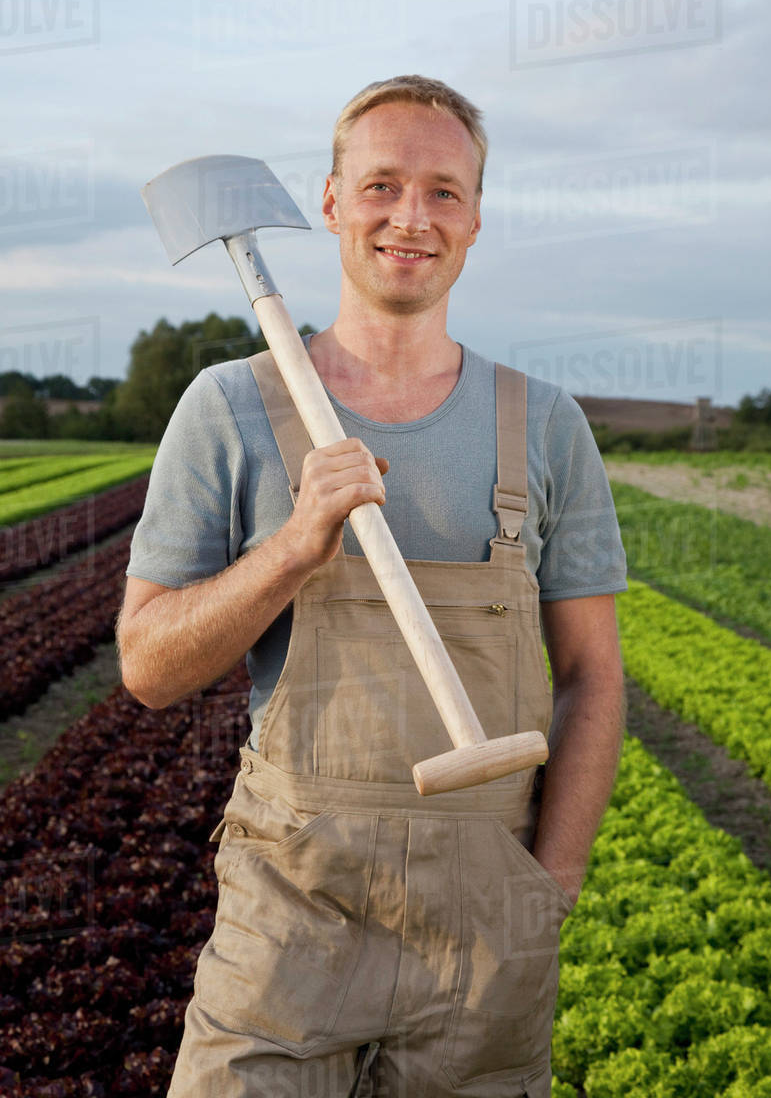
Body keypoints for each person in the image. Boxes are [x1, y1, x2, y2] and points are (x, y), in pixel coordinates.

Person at [117, 74, 627, 1098]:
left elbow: (592, 676)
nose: (410, 216)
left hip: (485, 937)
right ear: (330, 201)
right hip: (291, 919)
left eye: (443, 191)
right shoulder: (230, 409)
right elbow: (146, 667)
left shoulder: (545, 426)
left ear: (476, 218)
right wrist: (296, 544)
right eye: (382, 184)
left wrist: (551, 885)